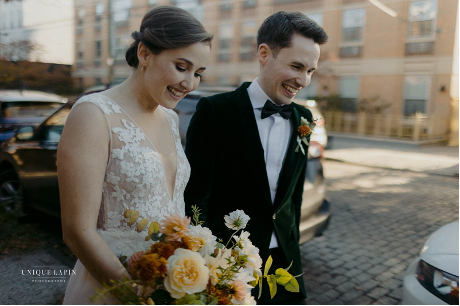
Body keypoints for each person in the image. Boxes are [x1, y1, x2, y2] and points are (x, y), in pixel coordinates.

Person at [57, 6, 212, 304]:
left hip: (169, 285)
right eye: (181, 67)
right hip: (112, 286)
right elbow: (76, 231)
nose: (190, 84)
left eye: (198, 73)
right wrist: (136, 297)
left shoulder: (170, 118)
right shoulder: (93, 114)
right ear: (144, 54)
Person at [184, 11, 328, 305]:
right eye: (296, 66)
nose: (303, 80)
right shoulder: (215, 111)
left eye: (310, 71)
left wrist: (293, 247)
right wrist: (204, 261)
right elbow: (195, 196)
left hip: (285, 262)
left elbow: (294, 197)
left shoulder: (305, 118)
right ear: (264, 53)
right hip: (227, 262)